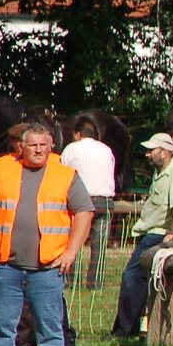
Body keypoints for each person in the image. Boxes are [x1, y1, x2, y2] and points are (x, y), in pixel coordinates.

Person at [0, 124, 94, 346]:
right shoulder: (2, 170)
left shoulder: (66, 175)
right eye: (32, 145)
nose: (38, 149)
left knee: (50, 327)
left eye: (43, 144)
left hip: (49, 267)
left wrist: (71, 251)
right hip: (7, 264)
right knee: (3, 325)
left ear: (51, 145)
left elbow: (85, 212)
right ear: (22, 147)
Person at [110, 132, 173, 341]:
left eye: (151, 150)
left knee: (132, 277)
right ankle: (131, 328)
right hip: (150, 233)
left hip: (159, 235)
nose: (147, 155)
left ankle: (125, 330)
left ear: (164, 153)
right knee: (139, 281)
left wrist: (172, 234)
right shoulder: (161, 171)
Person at [60, 115, 117, 289]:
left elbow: (63, 175)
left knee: (72, 242)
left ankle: (69, 281)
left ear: (78, 134)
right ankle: (95, 284)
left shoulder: (71, 149)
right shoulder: (107, 150)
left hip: (81, 201)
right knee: (99, 247)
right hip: (106, 200)